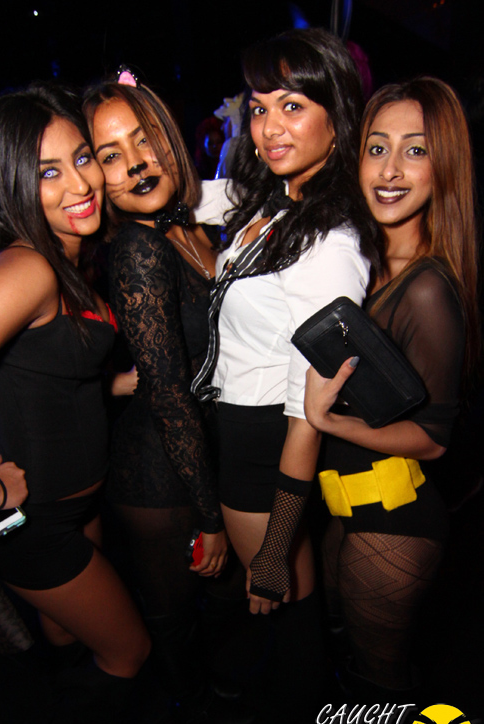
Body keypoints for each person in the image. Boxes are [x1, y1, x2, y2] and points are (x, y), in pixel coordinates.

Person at [0, 84, 150, 724]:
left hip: (75, 505)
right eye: (47, 171)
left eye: (82, 158)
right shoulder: (28, 266)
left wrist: (115, 385)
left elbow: (47, 369)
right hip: (32, 523)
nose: (80, 184)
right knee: (128, 652)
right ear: (12, 180)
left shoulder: (66, 255)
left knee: (67, 642)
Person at [193, 28, 379, 612]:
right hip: (237, 424)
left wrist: (275, 550)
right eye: (259, 109)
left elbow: (308, 415)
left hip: (266, 446)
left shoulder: (331, 244)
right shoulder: (275, 200)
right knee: (286, 612)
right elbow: (174, 197)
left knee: (282, 609)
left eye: (292, 107)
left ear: (337, 117)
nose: (269, 128)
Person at [304, 77, 479, 692]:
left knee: (380, 685)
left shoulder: (427, 288)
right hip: (347, 507)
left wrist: (329, 420)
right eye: (377, 148)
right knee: (346, 662)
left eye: (416, 149)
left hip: (397, 522)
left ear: (444, 165)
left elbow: (433, 439)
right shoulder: (362, 265)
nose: (390, 170)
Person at [82, 74, 242, 722]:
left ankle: (211, 697)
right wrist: (210, 516)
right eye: (110, 154)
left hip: (199, 452)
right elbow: (170, 396)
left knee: (219, 601)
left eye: (142, 139)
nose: (135, 163)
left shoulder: (189, 228)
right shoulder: (138, 248)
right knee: (174, 614)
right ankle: (191, 714)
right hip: (158, 475)